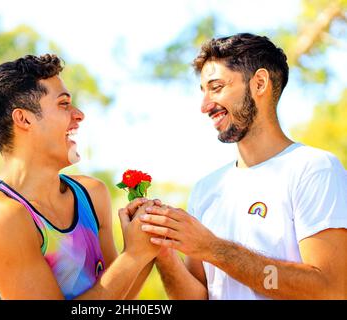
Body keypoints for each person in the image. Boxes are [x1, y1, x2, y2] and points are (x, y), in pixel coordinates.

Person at [137, 33, 347, 299]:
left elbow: (330, 290)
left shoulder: (314, 169)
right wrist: (164, 250)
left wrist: (213, 249)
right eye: (203, 91)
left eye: (216, 87)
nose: (204, 106)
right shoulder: (206, 189)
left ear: (259, 83)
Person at [0, 54, 158, 299]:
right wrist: (133, 256)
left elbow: (117, 298)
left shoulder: (92, 195)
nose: (79, 115)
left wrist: (149, 244)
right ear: (24, 119)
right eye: (64, 104)